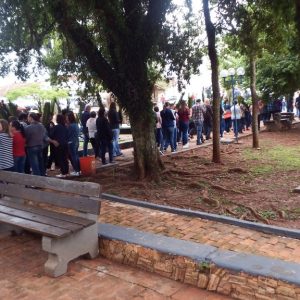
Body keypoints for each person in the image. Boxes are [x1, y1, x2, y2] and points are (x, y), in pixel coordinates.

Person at [50, 114, 69, 178]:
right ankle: (66, 172)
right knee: (65, 158)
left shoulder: (56, 127)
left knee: (61, 159)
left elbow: (51, 135)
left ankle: (63, 173)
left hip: (58, 145)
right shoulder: (65, 127)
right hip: (65, 144)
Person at [66, 112, 81, 176]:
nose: (66, 119)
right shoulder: (76, 125)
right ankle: (78, 170)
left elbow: (68, 135)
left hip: (71, 142)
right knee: (76, 155)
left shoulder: (70, 126)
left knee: (73, 156)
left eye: (67, 118)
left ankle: (76, 170)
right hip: (76, 141)